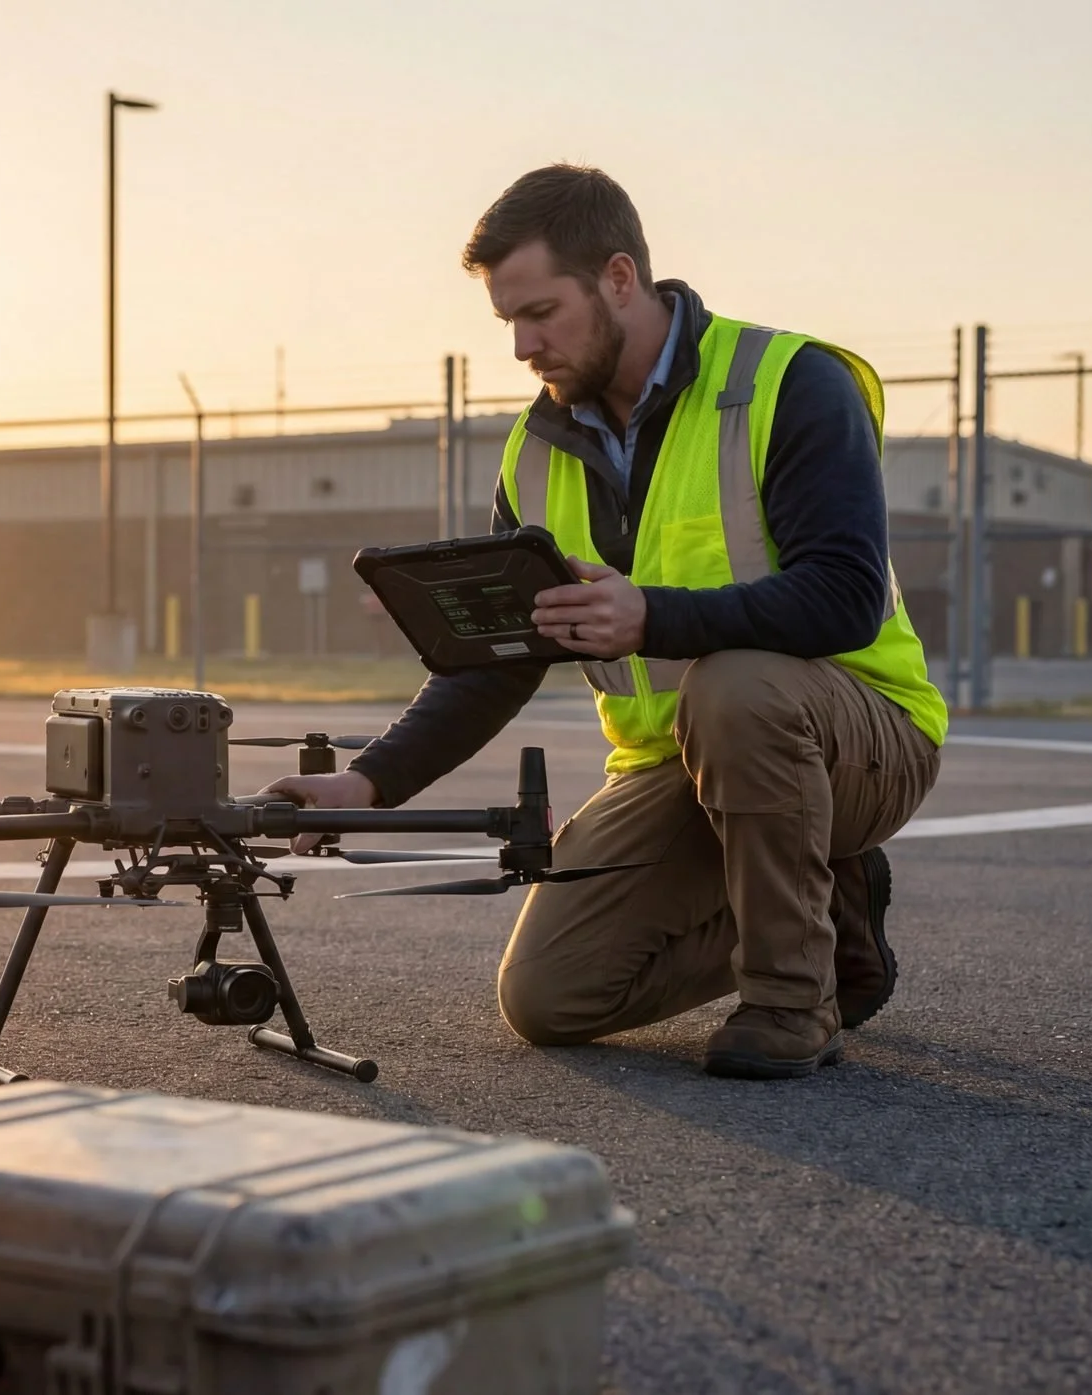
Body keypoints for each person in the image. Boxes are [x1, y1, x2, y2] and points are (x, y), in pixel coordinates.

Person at [262, 164, 946, 1079]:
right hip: (679, 768)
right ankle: (834, 907)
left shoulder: (790, 384)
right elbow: (502, 656)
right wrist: (371, 784)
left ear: (618, 278)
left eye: (540, 313)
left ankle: (793, 998)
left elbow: (847, 594)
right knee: (550, 997)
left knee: (735, 687)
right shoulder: (535, 448)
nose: (521, 346)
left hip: (859, 737)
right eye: (508, 320)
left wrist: (650, 616)